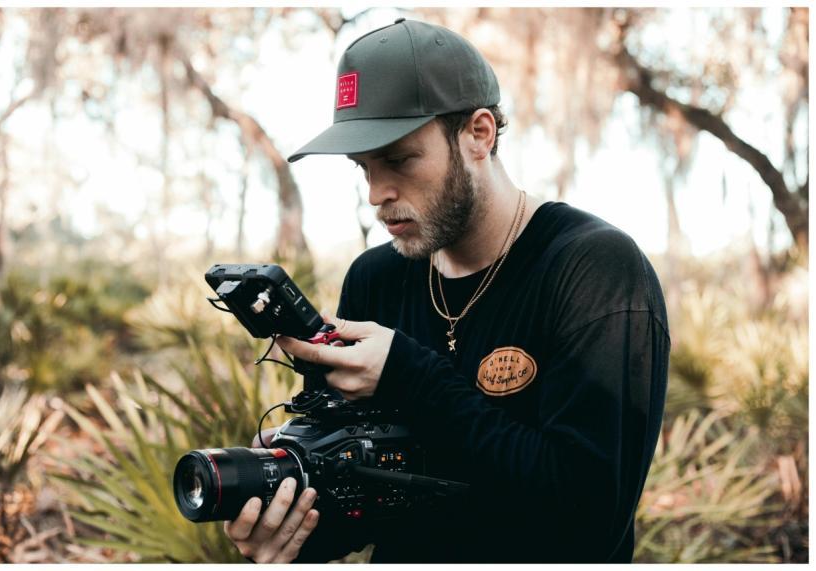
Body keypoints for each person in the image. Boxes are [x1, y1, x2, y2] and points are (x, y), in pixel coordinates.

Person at [223, 18, 669, 563]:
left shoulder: (592, 269)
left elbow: (589, 520)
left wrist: (410, 376)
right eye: (363, 168)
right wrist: (290, 522)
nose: (376, 193)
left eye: (399, 159)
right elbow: (367, 500)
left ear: (479, 134)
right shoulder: (374, 278)